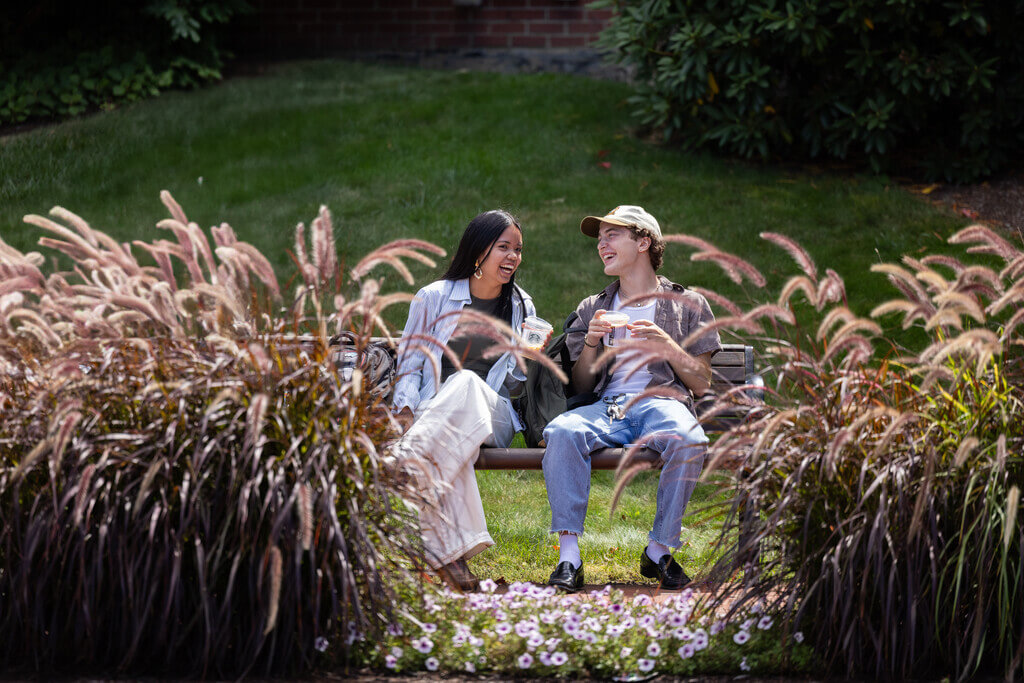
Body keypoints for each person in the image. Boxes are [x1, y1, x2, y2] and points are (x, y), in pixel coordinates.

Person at [542, 205, 721, 592]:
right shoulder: (593, 307)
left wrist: (668, 345)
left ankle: (658, 550)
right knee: (561, 431)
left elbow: (703, 383)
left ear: (643, 242)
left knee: (690, 439)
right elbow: (582, 385)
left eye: (612, 235)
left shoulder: (688, 304)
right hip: (607, 407)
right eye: (599, 238)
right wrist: (591, 340)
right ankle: (569, 558)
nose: (601, 244)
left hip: (662, 403)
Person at [390, 209, 542, 591]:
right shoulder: (433, 298)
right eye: (503, 247)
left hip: (494, 417)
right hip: (437, 416)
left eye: (518, 250)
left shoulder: (521, 305)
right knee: (449, 444)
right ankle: (452, 563)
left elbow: (518, 388)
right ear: (478, 250)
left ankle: (400, 464)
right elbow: (408, 364)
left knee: (467, 383)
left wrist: (526, 361)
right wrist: (406, 413)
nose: (513, 257)